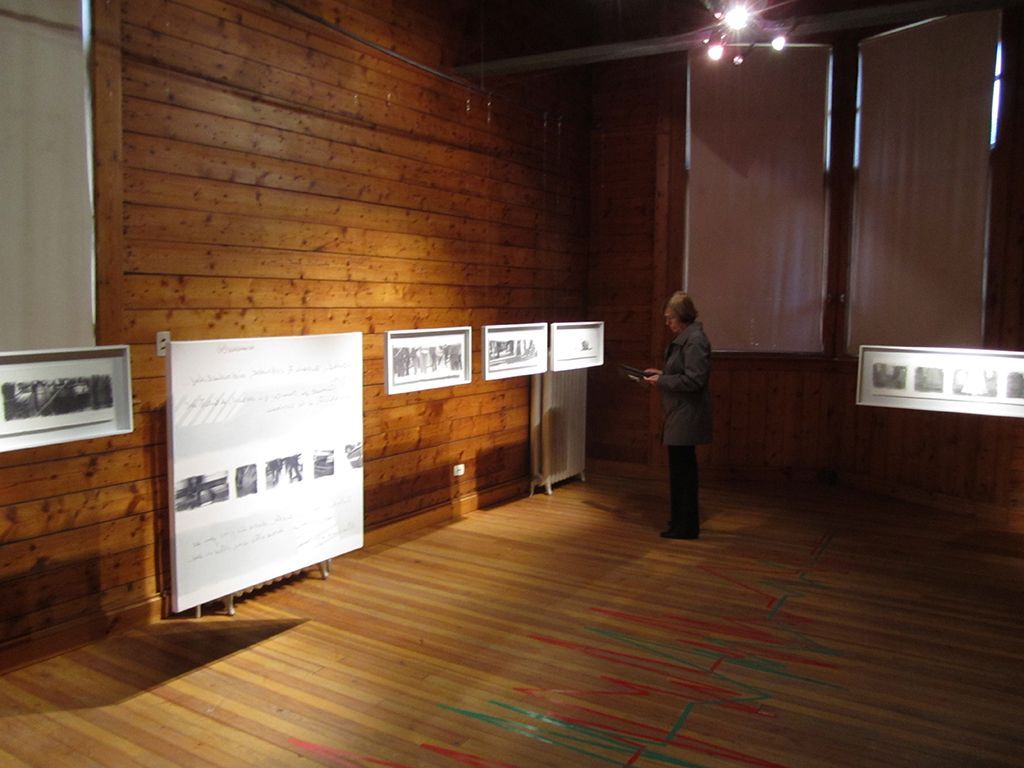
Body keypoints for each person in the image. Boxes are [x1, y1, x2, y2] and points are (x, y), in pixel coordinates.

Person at [643, 291, 712, 539]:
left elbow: (694, 379)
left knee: (683, 473)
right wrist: (661, 374)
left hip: (687, 414)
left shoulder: (694, 340)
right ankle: (680, 522)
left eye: (670, 318)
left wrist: (663, 380)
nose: (667, 323)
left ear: (682, 317)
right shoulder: (688, 337)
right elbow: (683, 372)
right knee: (680, 472)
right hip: (680, 412)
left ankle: (686, 526)